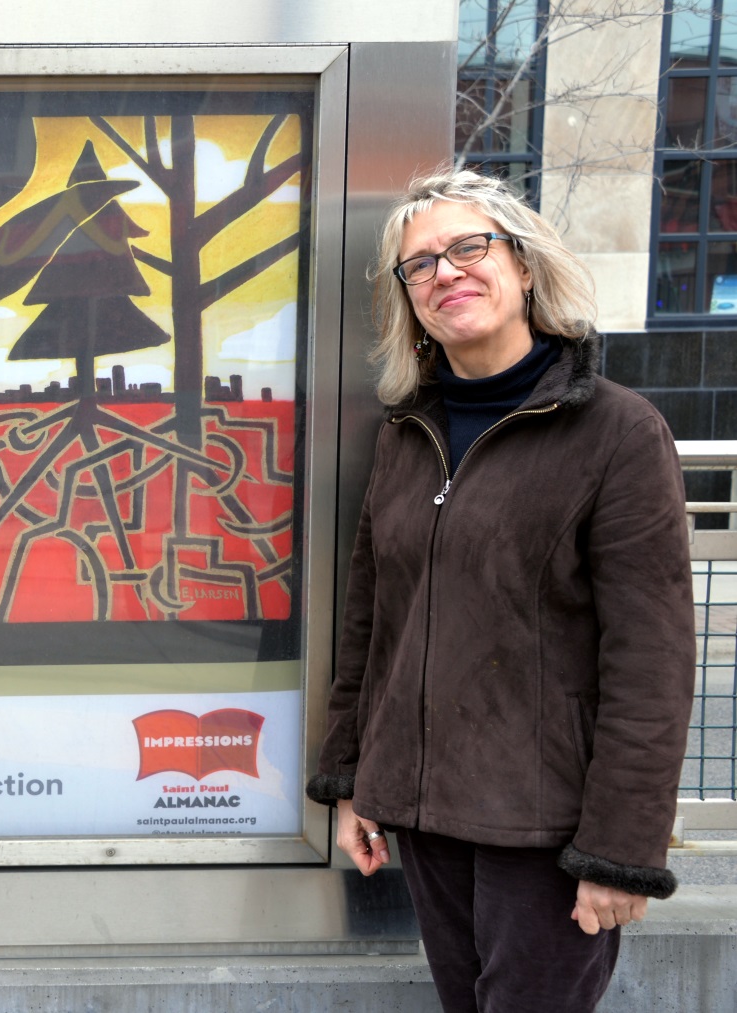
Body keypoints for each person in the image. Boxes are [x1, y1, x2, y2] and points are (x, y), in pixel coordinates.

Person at [306, 169, 694, 1013]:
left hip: (546, 833)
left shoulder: (617, 432)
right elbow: (372, 627)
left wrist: (617, 852)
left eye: (468, 247)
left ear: (523, 267)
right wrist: (352, 784)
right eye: (420, 264)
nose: (445, 272)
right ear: (408, 301)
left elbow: (651, 662)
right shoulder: (406, 437)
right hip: (426, 817)